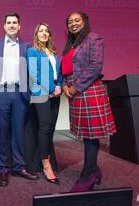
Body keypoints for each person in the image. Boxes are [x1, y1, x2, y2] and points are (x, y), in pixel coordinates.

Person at [60, 11, 117, 192]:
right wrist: (64, 86)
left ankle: (87, 176)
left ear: (85, 22)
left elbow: (95, 66)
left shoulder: (93, 38)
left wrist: (75, 88)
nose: (73, 24)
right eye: (70, 22)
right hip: (73, 90)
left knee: (92, 134)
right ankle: (95, 169)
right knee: (86, 133)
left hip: (88, 89)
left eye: (77, 20)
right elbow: (64, 69)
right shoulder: (70, 45)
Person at [0, 12, 39, 187]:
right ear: (4, 26)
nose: (11, 25)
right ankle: (2, 169)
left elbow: (32, 71)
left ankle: (19, 167)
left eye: (14, 22)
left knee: (18, 132)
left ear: (19, 26)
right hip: (0, 94)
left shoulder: (27, 46)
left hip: (19, 94)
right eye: (8, 22)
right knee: (1, 133)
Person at [25, 23, 62, 185]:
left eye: (47, 31)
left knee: (50, 128)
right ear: (36, 34)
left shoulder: (53, 53)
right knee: (45, 127)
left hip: (55, 92)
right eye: (41, 30)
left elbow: (58, 73)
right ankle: (46, 165)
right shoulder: (32, 51)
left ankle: (42, 160)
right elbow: (34, 74)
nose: (44, 33)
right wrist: (53, 88)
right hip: (40, 93)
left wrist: (59, 85)